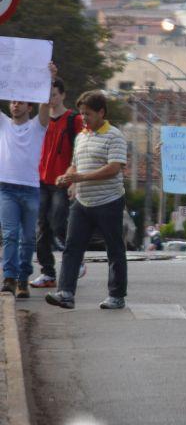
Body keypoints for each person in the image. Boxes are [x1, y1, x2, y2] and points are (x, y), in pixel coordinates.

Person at [45, 93, 128, 310]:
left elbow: (114, 168)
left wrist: (80, 177)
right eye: (82, 114)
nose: (84, 118)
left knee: (114, 248)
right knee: (72, 247)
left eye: (88, 114)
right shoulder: (81, 136)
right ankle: (65, 292)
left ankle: (116, 295)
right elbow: (75, 164)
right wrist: (68, 176)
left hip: (108, 201)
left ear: (101, 112)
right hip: (82, 202)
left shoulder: (114, 135)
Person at [32, 66, 84, 289]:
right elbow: (42, 110)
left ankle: (76, 258)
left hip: (63, 180)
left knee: (58, 224)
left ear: (63, 95)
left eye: (54, 94)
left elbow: (82, 150)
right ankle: (48, 272)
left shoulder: (74, 119)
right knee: (42, 227)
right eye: (48, 95)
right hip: (42, 180)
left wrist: (76, 181)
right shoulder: (42, 119)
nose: (51, 99)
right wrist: (47, 79)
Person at [1, 72, 52, 297]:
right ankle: (9, 277)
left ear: (29, 106)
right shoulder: (3, 124)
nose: (15, 105)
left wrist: (49, 77)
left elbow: (46, 103)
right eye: (13, 101)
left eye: (20, 102)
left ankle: (23, 279)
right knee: (10, 234)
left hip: (31, 189)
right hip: (6, 189)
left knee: (28, 237)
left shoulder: (37, 126)